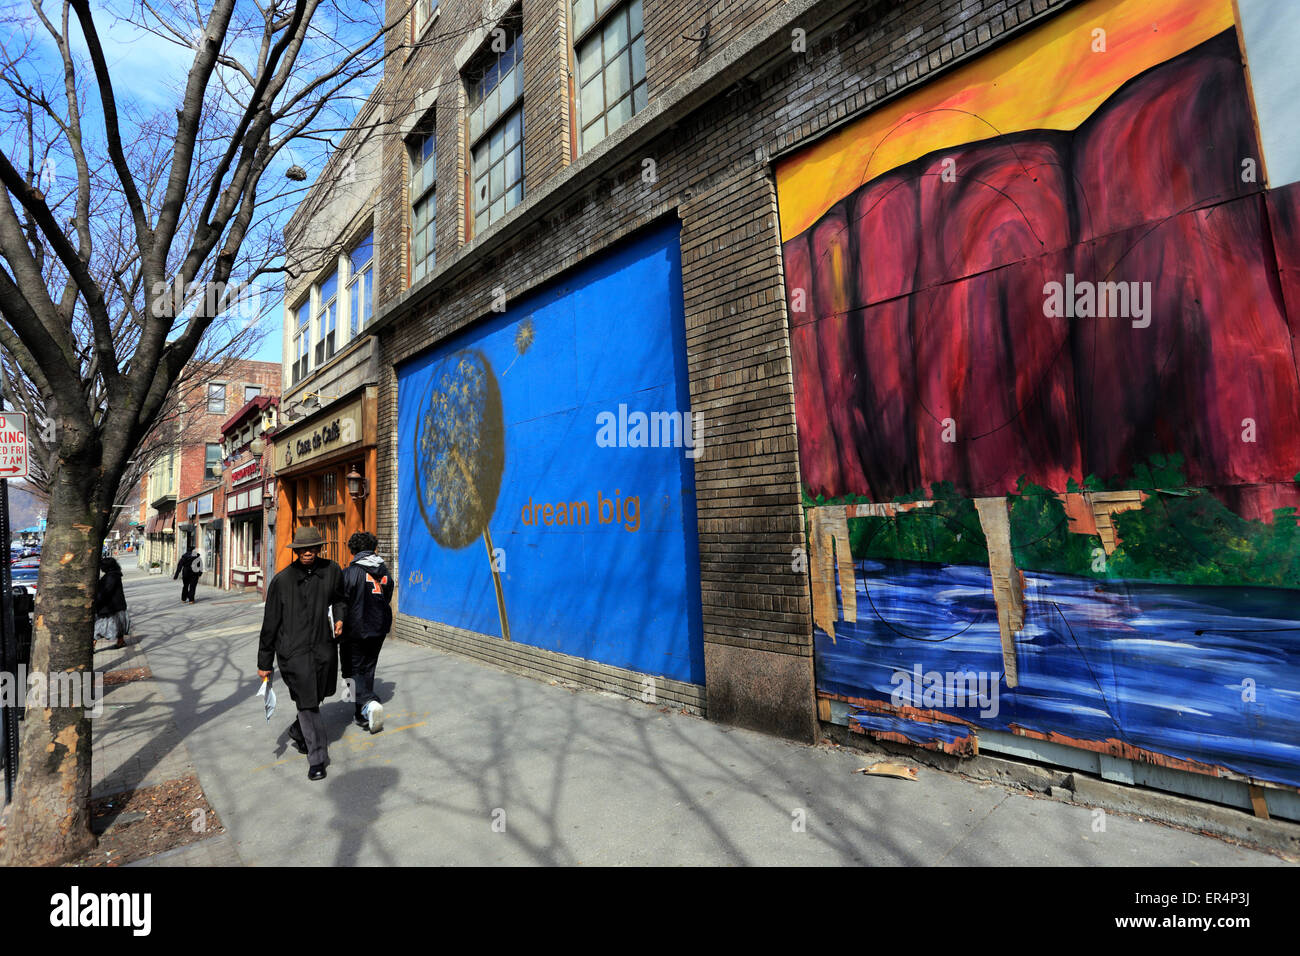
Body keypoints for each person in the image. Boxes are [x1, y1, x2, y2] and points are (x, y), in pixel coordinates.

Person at [256, 527, 345, 781]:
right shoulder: (282, 581)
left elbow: (340, 599)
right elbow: (270, 624)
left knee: (318, 695)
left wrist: (340, 618)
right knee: (307, 703)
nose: (308, 552)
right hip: (293, 652)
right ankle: (317, 758)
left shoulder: (332, 571)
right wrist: (265, 662)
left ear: (319, 548)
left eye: (312, 548)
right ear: (296, 551)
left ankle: (298, 731)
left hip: (323, 647)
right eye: (303, 549)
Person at [340, 532, 393, 734]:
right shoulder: (384, 571)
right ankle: (361, 713)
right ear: (373, 548)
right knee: (368, 668)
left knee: (352, 669)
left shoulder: (350, 573)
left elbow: (341, 602)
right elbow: (386, 596)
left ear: (353, 550)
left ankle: (368, 703)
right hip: (378, 628)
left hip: (354, 629)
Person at [93, 557, 130, 650]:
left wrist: (97, 600)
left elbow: (106, 591)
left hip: (111, 606)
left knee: (99, 626)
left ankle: (93, 644)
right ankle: (120, 641)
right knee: (119, 625)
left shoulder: (111, 577)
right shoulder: (114, 575)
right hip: (116, 605)